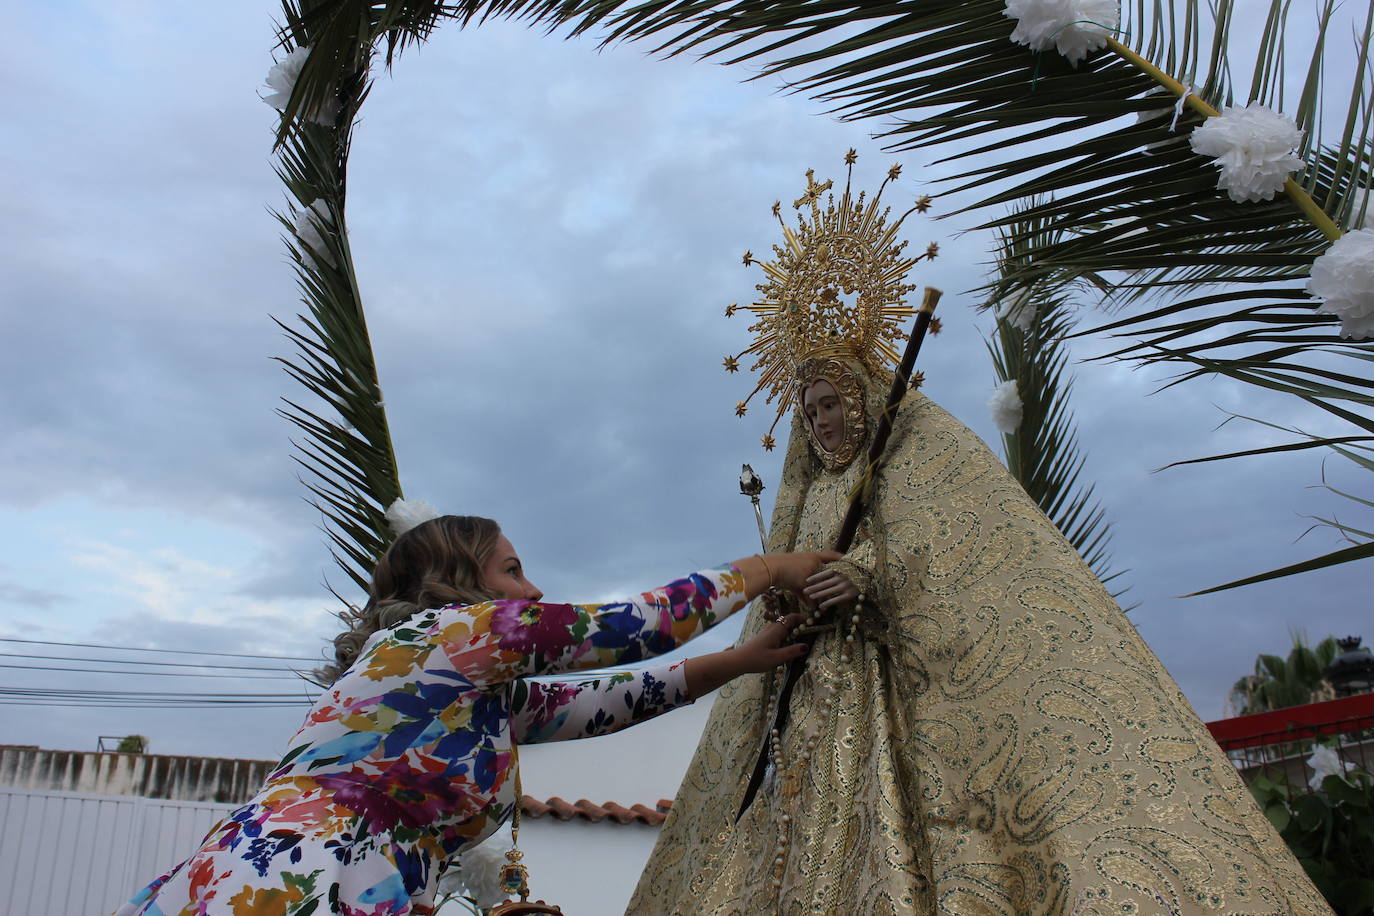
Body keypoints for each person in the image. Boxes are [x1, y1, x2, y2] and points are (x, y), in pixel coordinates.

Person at [627, 355, 1333, 915]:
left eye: (833, 403)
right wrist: (789, 593)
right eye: (810, 410)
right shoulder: (807, 493)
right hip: (813, 696)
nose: (822, 422)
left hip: (895, 693)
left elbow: (950, 543)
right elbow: (784, 569)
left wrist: (867, 571)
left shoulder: (909, 465)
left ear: (865, 398)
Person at [115, 512, 836, 916]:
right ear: (461, 584)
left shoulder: (465, 690)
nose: (532, 587)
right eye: (512, 569)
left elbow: (618, 699)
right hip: (291, 877)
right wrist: (772, 568)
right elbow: (634, 626)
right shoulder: (447, 638)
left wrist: (742, 661)